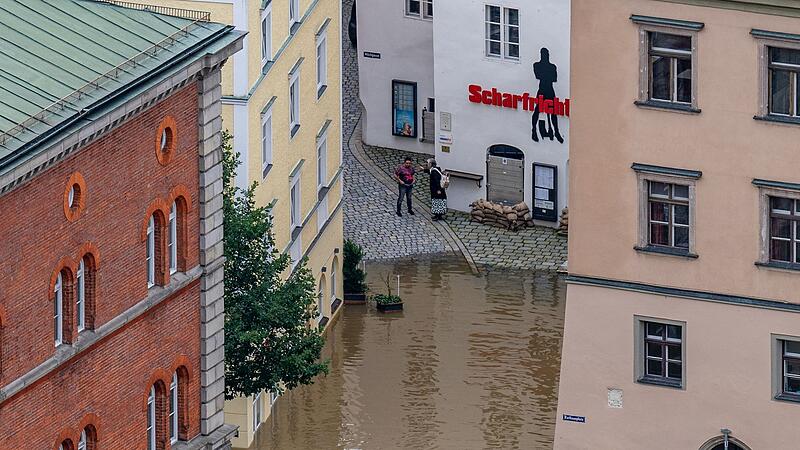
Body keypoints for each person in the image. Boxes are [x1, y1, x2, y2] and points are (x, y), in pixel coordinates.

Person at [531, 47, 564, 144]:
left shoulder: (552, 66)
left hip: (549, 90)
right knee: (537, 110)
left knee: (553, 112)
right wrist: (547, 76)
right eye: (545, 54)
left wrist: (545, 75)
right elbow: (538, 76)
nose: (546, 56)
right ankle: (533, 130)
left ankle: (556, 132)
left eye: (547, 54)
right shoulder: (537, 65)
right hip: (542, 89)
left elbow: (554, 78)